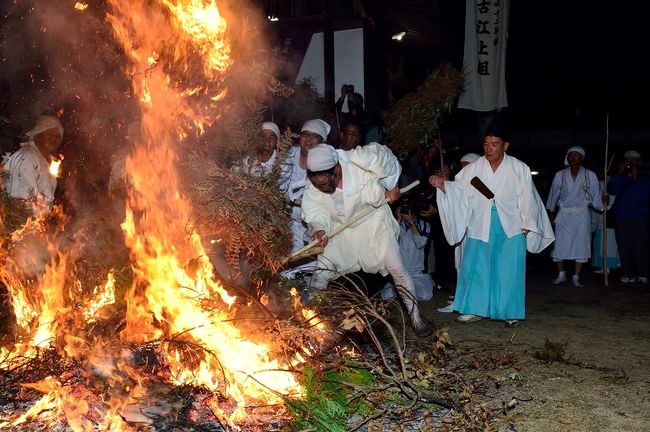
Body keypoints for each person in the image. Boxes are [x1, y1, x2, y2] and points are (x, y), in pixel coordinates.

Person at [428, 120, 554, 326]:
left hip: (511, 224)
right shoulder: (474, 169)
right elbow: (458, 191)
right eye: (486, 144)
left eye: (495, 144)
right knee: (477, 267)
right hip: (480, 223)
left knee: (509, 268)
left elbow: (528, 197)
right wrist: (443, 186)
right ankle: (474, 308)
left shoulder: (519, 168)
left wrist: (528, 221)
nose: (489, 149)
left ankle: (509, 311)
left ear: (505, 146)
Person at [301, 143, 434, 337]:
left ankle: (416, 319)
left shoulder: (361, 159)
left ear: (336, 168)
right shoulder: (312, 184)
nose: (322, 187)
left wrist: (392, 185)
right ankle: (315, 326)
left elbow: (388, 160)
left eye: (325, 183)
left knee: (396, 267)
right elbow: (314, 210)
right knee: (320, 276)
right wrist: (319, 229)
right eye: (318, 184)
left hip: (374, 225)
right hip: (341, 232)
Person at [277, 119, 330, 277]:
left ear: (322, 142)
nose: (308, 139)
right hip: (282, 219)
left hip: (309, 221)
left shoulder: (326, 164)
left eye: (314, 136)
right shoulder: (285, 157)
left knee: (310, 262)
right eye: (305, 135)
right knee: (281, 262)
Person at [546, 146, 605, 287]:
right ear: (567, 157)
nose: (573, 157)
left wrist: (602, 203)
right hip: (564, 214)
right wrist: (551, 212)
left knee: (581, 245)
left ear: (582, 157)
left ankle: (576, 277)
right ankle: (561, 274)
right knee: (559, 244)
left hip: (581, 215)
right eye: (570, 155)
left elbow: (595, 195)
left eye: (576, 155)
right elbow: (553, 194)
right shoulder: (560, 175)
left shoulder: (589, 175)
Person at [438, 152, 481, 313]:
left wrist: (446, 186)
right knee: (461, 266)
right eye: (462, 166)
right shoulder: (460, 183)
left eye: (467, 165)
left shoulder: (479, 182)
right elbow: (454, 197)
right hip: (464, 231)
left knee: (473, 267)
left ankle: (472, 303)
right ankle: (461, 300)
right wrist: (444, 186)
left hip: (477, 232)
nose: (464, 169)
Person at [3, 115, 63, 215]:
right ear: (37, 135)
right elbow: (20, 203)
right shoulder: (26, 158)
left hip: (38, 223)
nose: (54, 139)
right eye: (49, 135)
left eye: (57, 136)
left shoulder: (49, 161)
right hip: (22, 225)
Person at [607, 150, 650, 284]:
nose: (630, 162)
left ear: (639, 162)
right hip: (621, 217)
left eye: (633, 160)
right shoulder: (622, 176)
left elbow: (642, 195)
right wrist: (620, 174)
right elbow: (611, 189)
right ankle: (628, 273)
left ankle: (643, 273)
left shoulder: (646, 177)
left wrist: (635, 178)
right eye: (627, 160)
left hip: (639, 217)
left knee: (640, 246)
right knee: (623, 245)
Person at [381, 196, 434, 302]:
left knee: (426, 295)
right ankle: (405, 292)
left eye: (408, 207)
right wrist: (397, 220)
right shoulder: (395, 225)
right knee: (386, 295)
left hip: (416, 273)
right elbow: (389, 244)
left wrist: (411, 223)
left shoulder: (424, 225)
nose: (406, 210)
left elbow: (420, 244)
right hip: (399, 271)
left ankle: (404, 292)